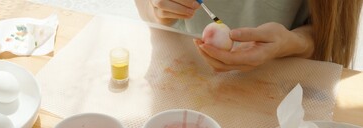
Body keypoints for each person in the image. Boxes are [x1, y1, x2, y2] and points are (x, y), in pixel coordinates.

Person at [135, 0, 363, 72]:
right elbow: (147, 6)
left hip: (278, 92)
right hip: (177, 76)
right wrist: (157, 9)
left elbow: (336, 30)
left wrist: (293, 43)